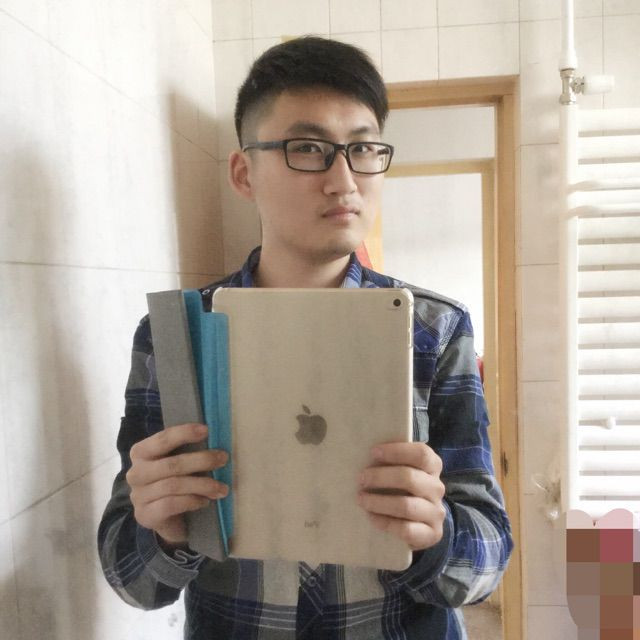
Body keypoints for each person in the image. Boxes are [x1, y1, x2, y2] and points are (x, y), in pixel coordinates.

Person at [98, 36, 513, 639]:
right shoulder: (177, 338)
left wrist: (437, 534)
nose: (344, 180)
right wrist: (161, 530)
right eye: (308, 149)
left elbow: (489, 563)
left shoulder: (435, 329)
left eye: (363, 148)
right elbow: (131, 581)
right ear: (244, 172)